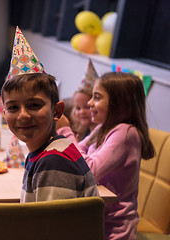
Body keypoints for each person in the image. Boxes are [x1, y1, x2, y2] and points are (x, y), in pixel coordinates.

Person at [1, 26, 99, 203]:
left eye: (34, 105)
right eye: (13, 108)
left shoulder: (54, 161)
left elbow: (51, 230)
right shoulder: (45, 152)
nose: (23, 115)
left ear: (57, 111)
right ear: (4, 113)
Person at [57, 72, 155, 240]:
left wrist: (66, 132)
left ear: (119, 103)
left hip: (113, 230)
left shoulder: (125, 133)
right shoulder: (102, 128)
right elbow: (77, 152)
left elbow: (89, 170)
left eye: (97, 97)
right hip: (94, 219)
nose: (89, 103)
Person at [71, 59, 98, 141]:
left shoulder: (101, 135)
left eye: (87, 107)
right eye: (78, 108)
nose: (82, 112)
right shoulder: (83, 132)